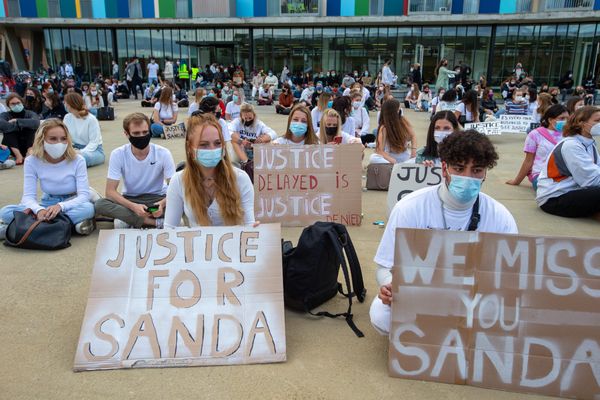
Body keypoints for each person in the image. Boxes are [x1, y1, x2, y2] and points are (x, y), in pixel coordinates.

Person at [369, 130, 518, 335]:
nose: (467, 177)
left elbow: (510, 278)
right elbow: (385, 266)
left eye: (476, 170)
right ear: (444, 168)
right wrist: (389, 286)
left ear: (485, 172)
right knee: (381, 315)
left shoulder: (501, 217)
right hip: (422, 297)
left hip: (476, 301)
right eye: (459, 168)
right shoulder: (409, 207)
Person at [0, 119, 96, 240]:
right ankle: (65, 226)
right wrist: (39, 210)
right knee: (5, 211)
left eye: (63, 138)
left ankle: (25, 228)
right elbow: (28, 197)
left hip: (72, 203)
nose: (59, 143)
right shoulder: (31, 161)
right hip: (47, 203)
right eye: (53, 139)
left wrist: (60, 206)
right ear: (42, 140)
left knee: (88, 209)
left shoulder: (78, 160)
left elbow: (83, 196)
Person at [164, 113, 255, 227]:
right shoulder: (178, 181)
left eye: (217, 143)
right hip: (196, 244)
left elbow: (249, 224)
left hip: (233, 244)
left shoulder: (241, 179)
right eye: (204, 145)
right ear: (189, 147)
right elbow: (170, 228)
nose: (212, 149)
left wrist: (256, 231)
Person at [95, 113, 175, 229]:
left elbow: (175, 188)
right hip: (130, 199)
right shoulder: (118, 154)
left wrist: (162, 204)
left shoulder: (163, 153)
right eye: (136, 133)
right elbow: (110, 191)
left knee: (185, 200)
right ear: (126, 134)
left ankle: (130, 219)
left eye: (145, 132)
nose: (142, 136)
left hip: (156, 198)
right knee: (100, 204)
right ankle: (153, 222)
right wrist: (133, 207)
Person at [536, 106, 600, 218]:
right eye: (597, 121)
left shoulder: (590, 144)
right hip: (554, 198)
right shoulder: (571, 145)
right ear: (581, 123)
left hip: (572, 192)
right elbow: (590, 180)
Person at [507, 104, 569, 189]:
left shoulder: (570, 135)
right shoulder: (535, 135)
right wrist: (516, 181)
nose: (565, 121)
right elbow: (528, 161)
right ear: (550, 119)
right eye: (562, 118)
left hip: (564, 175)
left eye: (567, 119)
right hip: (541, 175)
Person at [369, 98, 416, 164]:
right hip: (389, 159)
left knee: (419, 159)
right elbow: (379, 150)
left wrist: (413, 151)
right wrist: (391, 160)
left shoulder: (403, 121)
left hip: (405, 158)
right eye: (398, 109)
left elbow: (413, 136)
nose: (400, 111)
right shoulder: (384, 128)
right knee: (373, 158)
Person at [63, 93, 105, 168]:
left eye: (65, 102)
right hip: (74, 148)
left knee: (80, 159)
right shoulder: (67, 117)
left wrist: (80, 152)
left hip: (94, 150)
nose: (64, 104)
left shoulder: (91, 119)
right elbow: (65, 137)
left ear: (70, 104)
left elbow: (94, 142)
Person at [230, 103, 276, 171]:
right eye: (245, 118)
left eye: (250, 118)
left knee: (269, 142)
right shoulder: (236, 122)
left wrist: (261, 139)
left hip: (254, 148)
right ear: (241, 116)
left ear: (254, 116)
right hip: (241, 149)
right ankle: (247, 163)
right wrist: (241, 141)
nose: (248, 120)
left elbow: (273, 133)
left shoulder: (259, 124)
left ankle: (264, 164)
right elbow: (228, 132)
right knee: (233, 140)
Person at [0, 94, 41, 165]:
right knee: (9, 131)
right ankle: (18, 156)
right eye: (13, 104)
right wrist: (24, 124)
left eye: (18, 103)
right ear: (8, 105)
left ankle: (29, 154)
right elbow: (2, 124)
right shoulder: (5, 115)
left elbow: (36, 122)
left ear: (22, 103)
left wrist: (17, 121)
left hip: (30, 145)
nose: (16, 105)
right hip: (12, 147)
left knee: (31, 129)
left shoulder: (30, 113)